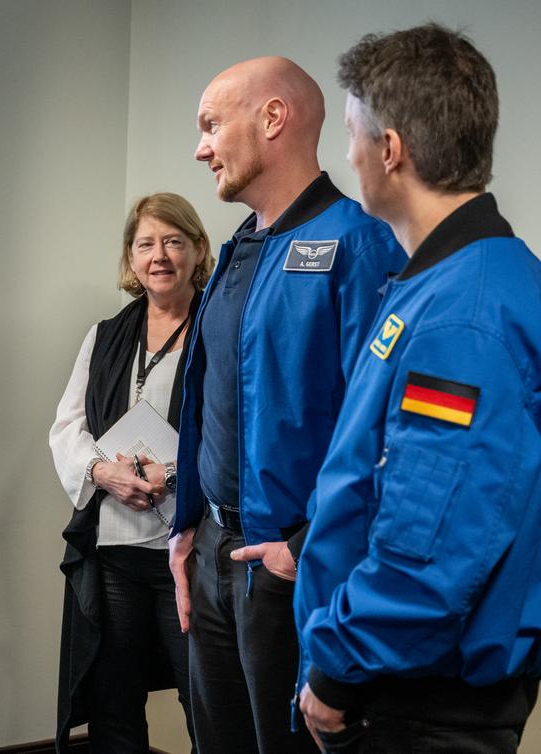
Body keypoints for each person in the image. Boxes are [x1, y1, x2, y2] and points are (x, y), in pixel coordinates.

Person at [295, 24, 541, 753]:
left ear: (390, 149)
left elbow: (434, 541)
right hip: (399, 671)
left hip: (414, 694)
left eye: (350, 134)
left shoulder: (464, 316)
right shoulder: (447, 280)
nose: (347, 157)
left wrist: (335, 674)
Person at [167, 57, 407, 753]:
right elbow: (212, 395)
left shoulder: (359, 245)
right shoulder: (241, 247)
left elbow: (384, 425)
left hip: (291, 562)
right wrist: (186, 527)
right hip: (215, 550)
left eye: (211, 124)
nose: (200, 146)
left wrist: (303, 549)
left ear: (273, 119)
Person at [52, 193, 213, 752]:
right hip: (114, 551)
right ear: (131, 257)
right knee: (113, 703)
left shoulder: (215, 332)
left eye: (174, 241)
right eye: (146, 244)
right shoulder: (104, 336)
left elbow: (233, 430)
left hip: (187, 554)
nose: (160, 256)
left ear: (198, 250)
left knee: (206, 701)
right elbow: (66, 426)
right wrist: (104, 472)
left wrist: (171, 475)